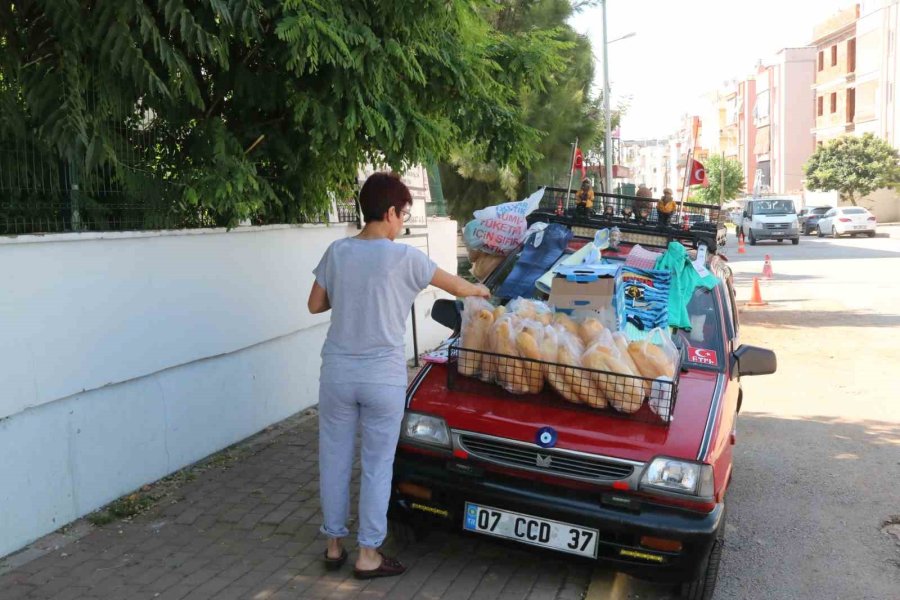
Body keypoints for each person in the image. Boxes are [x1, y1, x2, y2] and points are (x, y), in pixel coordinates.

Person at [308, 172, 490, 579]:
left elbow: (315, 305)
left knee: (333, 458)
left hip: (337, 373)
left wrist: (350, 294)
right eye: (403, 214)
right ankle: (368, 554)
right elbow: (458, 286)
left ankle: (334, 546)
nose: (402, 223)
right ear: (389, 212)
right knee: (377, 465)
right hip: (382, 377)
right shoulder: (406, 258)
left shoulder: (337, 251)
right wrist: (482, 292)